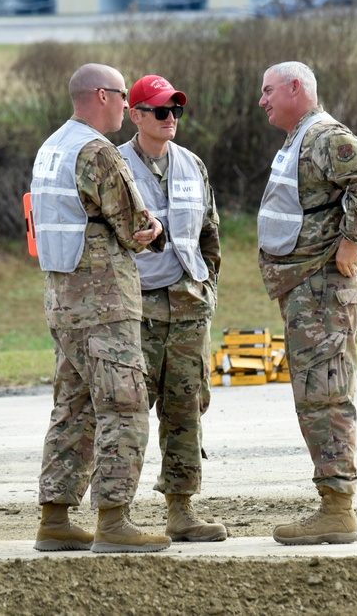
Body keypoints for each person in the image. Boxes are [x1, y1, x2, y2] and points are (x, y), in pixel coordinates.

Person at [29, 62, 171, 554]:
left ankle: (55, 519)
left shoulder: (52, 148)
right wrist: (153, 231)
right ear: (102, 96)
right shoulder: (97, 152)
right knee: (125, 406)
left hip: (63, 301)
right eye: (121, 95)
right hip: (105, 302)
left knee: (73, 407)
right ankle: (113, 521)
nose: (127, 106)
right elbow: (133, 225)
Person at [256, 61, 357, 545]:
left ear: (296, 88)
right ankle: (333, 503)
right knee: (315, 395)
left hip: (324, 292)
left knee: (326, 396)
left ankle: (337, 510)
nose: (263, 100)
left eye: (269, 90)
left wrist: (353, 241)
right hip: (307, 292)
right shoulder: (300, 139)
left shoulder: (326, 137)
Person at [118, 75, 227, 542]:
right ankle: (116, 512)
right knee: (126, 410)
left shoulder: (192, 165)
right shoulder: (115, 165)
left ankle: (181, 512)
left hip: (187, 308)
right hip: (136, 309)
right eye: (161, 111)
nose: (171, 120)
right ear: (136, 114)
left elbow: (210, 233)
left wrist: (207, 289)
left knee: (186, 408)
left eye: (175, 111)